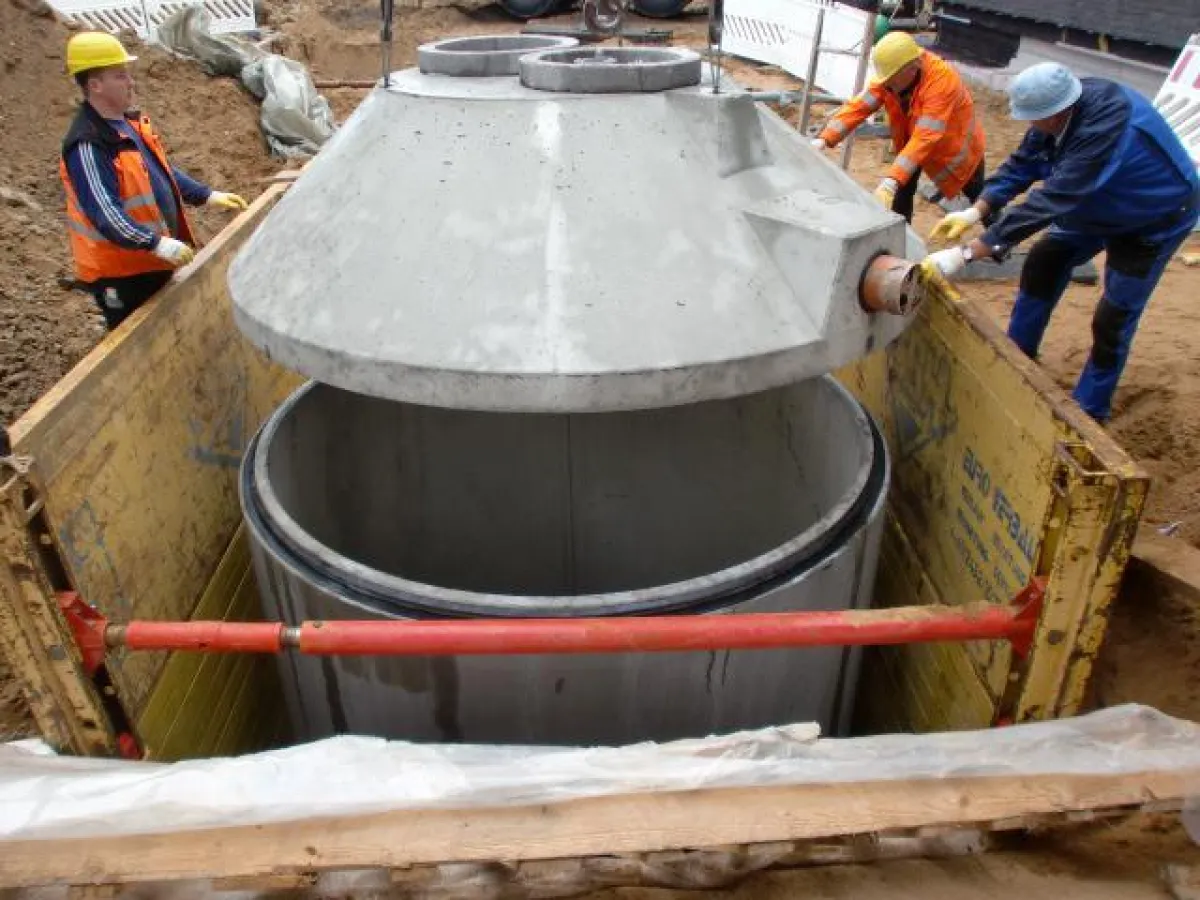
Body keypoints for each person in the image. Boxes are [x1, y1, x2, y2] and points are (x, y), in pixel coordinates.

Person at [927, 62, 1199, 423]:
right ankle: (1017, 357)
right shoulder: (1056, 110)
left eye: (1034, 119)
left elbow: (1052, 199)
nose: (1030, 126)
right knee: (1043, 262)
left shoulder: (1109, 128)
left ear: (1058, 113)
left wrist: (965, 254)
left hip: (1152, 216)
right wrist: (976, 211)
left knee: (1113, 317)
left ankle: (1091, 407)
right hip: (1094, 204)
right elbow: (1022, 165)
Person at [59, 32, 249, 330]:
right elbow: (106, 214)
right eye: (120, 76)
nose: (130, 82)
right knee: (135, 344)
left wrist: (206, 194)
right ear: (95, 85)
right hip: (124, 276)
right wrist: (155, 243)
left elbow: (158, 172)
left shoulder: (126, 124)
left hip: (152, 261)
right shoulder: (89, 145)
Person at [813, 32, 987, 223]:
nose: (888, 84)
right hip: (913, 145)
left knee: (982, 198)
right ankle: (901, 240)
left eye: (892, 79)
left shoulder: (942, 81)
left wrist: (892, 179)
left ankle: (1000, 246)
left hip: (956, 148)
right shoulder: (891, 77)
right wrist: (824, 138)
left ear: (913, 68)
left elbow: (926, 136)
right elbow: (860, 106)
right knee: (901, 193)